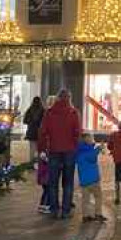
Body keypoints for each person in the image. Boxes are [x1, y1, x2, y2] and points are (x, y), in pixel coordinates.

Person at [37, 88, 82, 219]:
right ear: (69, 98)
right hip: (69, 151)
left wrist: (42, 149)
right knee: (68, 182)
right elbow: (77, 133)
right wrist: (75, 147)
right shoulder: (74, 113)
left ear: (57, 98)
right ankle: (66, 210)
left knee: (53, 182)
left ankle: (54, 209)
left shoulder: (49, 113)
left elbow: (42, 132)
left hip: (54, 151)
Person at [75, 133, 107, 223]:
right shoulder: (88, 151)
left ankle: (85, 216)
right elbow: (92, 158)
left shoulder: (78, 151)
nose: (92, 140)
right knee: (98, 196)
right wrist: (99, 148)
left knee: (85, 199)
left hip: (84, 181)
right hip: (93, 180)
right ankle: (98, 214)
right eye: (91, 139)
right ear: (87, 140)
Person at [23, 96, 44, 161]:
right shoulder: (43, 110)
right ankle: (39, 162)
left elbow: (25, 121)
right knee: (39, 148)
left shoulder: (29, 110)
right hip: (40, 132)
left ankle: (31, 163)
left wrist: (30, 122)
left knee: (32, 149)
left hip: (31, 132)